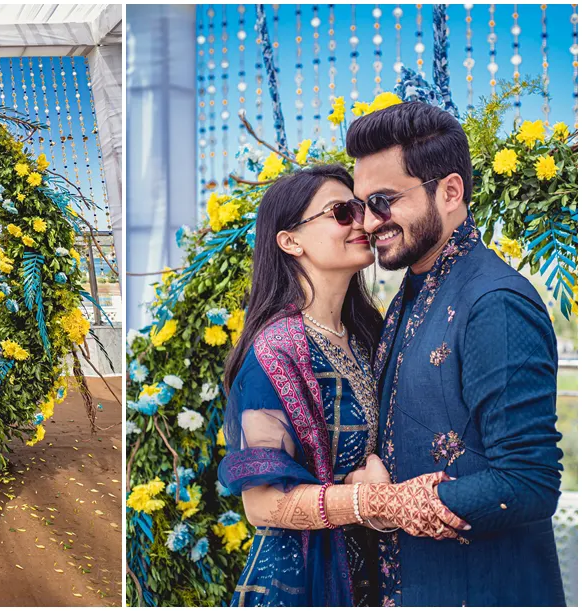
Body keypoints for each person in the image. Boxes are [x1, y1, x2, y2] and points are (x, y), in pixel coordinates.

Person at [345, 101, 565, 606]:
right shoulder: (412, 293)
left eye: (383, 200)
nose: (370, 222)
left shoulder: (495, 303)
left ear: (449, 191)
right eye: (360, 205)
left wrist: (386, 504)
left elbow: (529, 482)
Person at [218, 165, 467, 607]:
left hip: (373, 574)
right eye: (342, 212)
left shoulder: (371, 332)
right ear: (290, 240)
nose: (364, 222)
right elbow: (261, 506)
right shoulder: (276, 352)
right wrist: (376, 501)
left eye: (365, 208)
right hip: (302, 581)